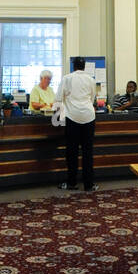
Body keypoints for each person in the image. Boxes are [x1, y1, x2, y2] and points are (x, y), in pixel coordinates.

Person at [56, 57, 98, 192]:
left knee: (72, 152)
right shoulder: (91, 80)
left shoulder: (67, 78)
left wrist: (58, 120)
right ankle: (88, 185)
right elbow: (92, 99)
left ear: (74, 66)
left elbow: (58, 99)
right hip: (89, 117)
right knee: (88, 152)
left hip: (72, 117)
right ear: (84, 66)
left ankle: (72, 182)